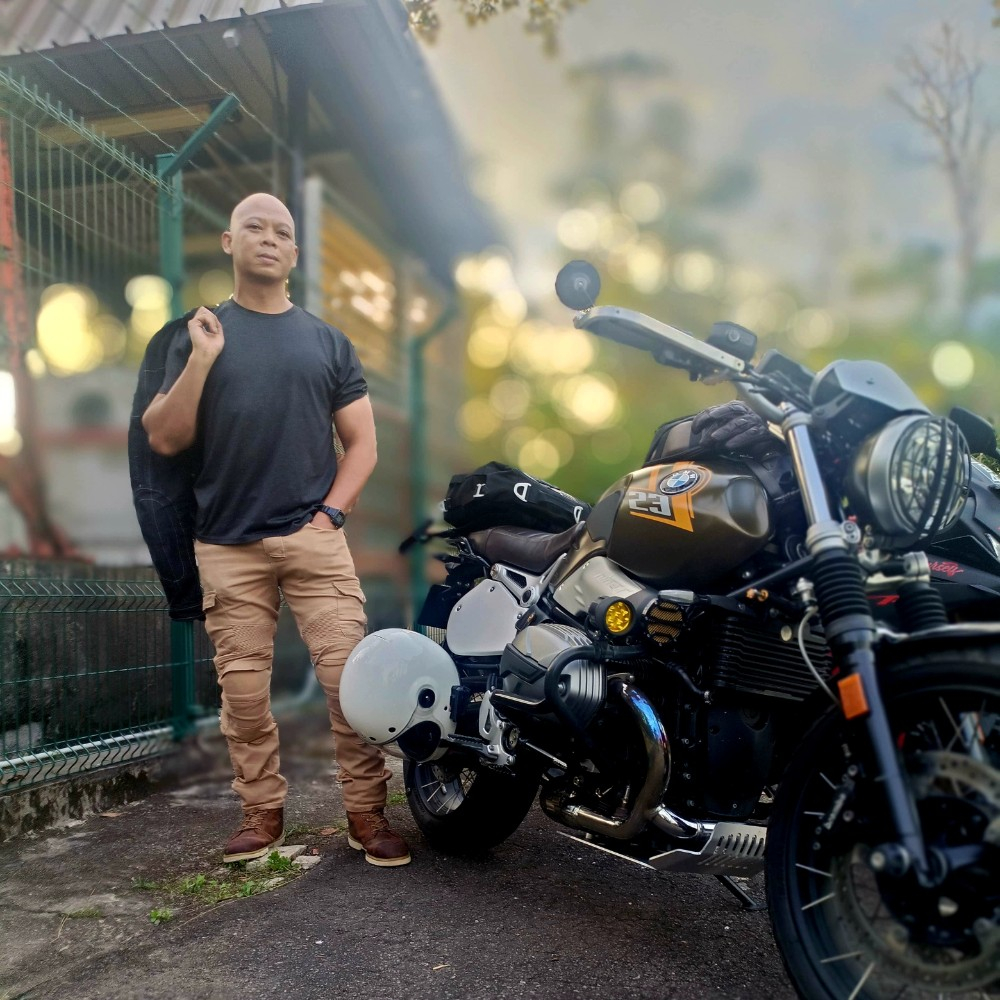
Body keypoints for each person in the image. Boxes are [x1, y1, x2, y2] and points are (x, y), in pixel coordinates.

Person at [141, 192, 410, 868]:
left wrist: (330, 516)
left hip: (314, 539)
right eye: (253, 227)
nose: (268, 238)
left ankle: (367, 814)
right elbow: (164, 437)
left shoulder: (327, 342)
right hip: (226, 544)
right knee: (242, 696)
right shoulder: (198, 334)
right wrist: (202, 360)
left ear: (294, 252)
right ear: (229, 242)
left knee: (350, 685)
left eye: (281, 231)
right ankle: (261, 815)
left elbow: (363, 444)